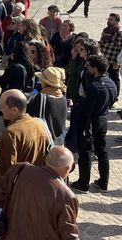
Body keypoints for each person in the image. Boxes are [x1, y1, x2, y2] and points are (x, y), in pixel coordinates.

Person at [0, 146, 79, 239]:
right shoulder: (66, 195)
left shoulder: (18, 169)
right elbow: (69, 234)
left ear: (46, 159)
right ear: (67, 168)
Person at [70, 54, 117, 193]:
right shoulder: (111, 83)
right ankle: (104, 182)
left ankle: (83, 183)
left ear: (95, 69)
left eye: (89, 66)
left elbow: (87, 110)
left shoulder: (94, 87)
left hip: (90, 123)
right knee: (102, 150)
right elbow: (112, 101)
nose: (87, 68)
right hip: (103, 120)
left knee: (85, 152)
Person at [0, 89, 51, 184]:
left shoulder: (10, 133)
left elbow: (5, 172)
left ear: (14, 110)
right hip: (37, 183)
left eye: (2, 106)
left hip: (18, 189)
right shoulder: (39, 124)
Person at [27, 67, 67, 145]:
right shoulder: (63, 99)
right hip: (59, 143)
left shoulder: (41, 98)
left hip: (45, 144)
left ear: (45, 83)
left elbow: (29, 116)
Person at [98, 13, 122, 100]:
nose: (109, 21)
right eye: (109, 19)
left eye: (111, 19)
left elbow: (120, 48)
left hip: (113, 61)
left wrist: (118, 63)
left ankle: (115, 96)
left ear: (116, 22)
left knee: (114, 78)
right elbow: (101, 42)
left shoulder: (119, 33)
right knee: (106, 77)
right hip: (104, 59)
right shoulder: (106, 30)